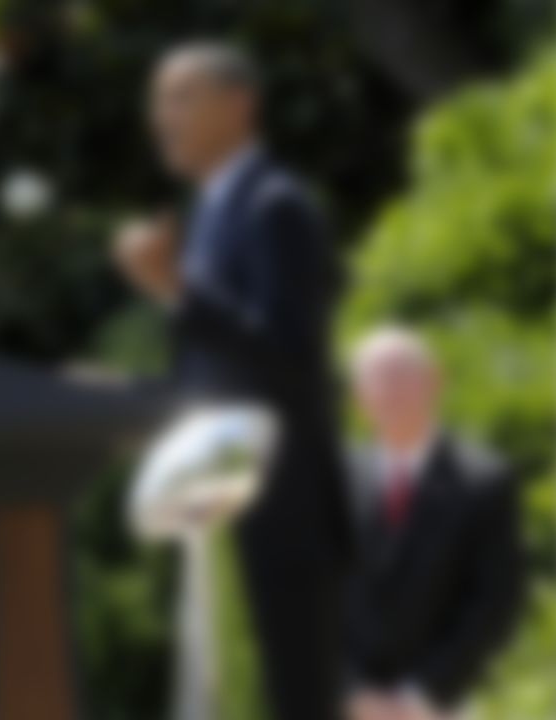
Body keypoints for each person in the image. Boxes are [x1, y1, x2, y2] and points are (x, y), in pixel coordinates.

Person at [113, 42, 348, 719]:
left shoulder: (276, 204)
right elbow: (222, 371)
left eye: (180, 97)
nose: (161, 117)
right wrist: (129, 391)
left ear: (240, 104)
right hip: (223, 503)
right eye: (157, 101)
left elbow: (287, 356)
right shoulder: (215, 207)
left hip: (282, 511)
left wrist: (175, 290)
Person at [344, 327, 525, 720]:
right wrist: (349, 692)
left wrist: (420, 696)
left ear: (434, 381)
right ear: (358, 397)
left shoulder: (485, 479)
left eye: (402, 375)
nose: (390, 391)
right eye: (376, 379)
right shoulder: (333, 480)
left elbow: (496, 602)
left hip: (438, 706)